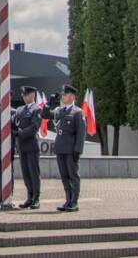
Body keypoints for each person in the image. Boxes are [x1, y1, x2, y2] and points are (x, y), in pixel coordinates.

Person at [46, 84, 86, 212]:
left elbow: (81, 134)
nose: (62, 96)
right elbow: (44, 115)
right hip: (60, 148)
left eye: (65, 94)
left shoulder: (78, 112)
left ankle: (74, 202)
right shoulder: (59, 111)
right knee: (64, 177)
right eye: (62, 94)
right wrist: (49, 104)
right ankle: (68, 200)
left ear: (72, 96)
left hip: (70, 150)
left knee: (73, 176)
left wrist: (78, 150)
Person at [12, 85, 44, 209]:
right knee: (26, 173)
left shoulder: (37, 109)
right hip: (21, 146)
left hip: (31, 145)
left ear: (32, 95)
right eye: (23, 95)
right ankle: (29, 197)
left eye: (26, 95)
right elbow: (14, 123)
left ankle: (36, 198)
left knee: (34, 173)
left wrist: (20, 133)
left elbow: (34, 127)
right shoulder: (19, 109)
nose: (24, 97)